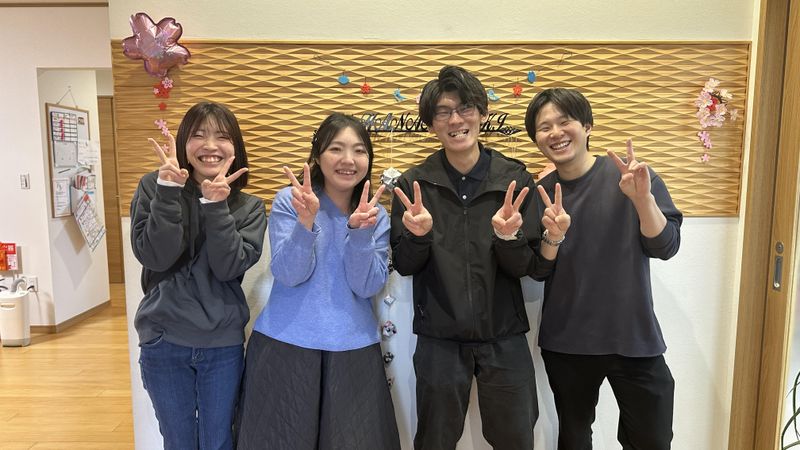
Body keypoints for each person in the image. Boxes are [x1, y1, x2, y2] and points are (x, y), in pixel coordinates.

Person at [390, 65, 571, 450]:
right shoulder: (414, 185)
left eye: (465, 108)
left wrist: (508, 238)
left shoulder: (514, 180)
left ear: (482, 113)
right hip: (439, 340)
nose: (456, 120)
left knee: (516, 439)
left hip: (504, 336)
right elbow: (404, 264)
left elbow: (530, 269)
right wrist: (419, 237)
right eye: (443, 112)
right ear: (431, 124)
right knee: (434, 441)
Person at [524, 88, 682, 450]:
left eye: (565, 121)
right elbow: (538, 270)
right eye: (544, 127)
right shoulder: (542, 194)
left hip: (633, 336)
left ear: (587, 125)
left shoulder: (632, 178)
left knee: (653, 439)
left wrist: (642, 201)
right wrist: (553, 237)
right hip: (568, 341)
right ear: (536, 139)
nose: (556, 133)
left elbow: (665, 246)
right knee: (574, 438)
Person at [236, 113, 401, 450]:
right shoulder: (291, 200)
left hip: (354, 350)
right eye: (336, 148)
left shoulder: (376, 215)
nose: (348, 160)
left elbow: (366, 286)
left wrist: (359, 233)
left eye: (359, 150)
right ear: (317, 155)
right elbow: (289, 274)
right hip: (284, 345)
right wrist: (306, 223)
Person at [131, 101, 267, 449]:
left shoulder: (249, 207)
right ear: (183, 143)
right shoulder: (154, 186)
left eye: (222, 136)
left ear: (235, 148)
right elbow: (155, 256)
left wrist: (216, 206)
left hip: (222, 345)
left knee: (218, 441)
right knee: (178, 441)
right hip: (163, 339)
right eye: (198, 135)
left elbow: (228, 268)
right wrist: (167, 193)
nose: (210, 146)